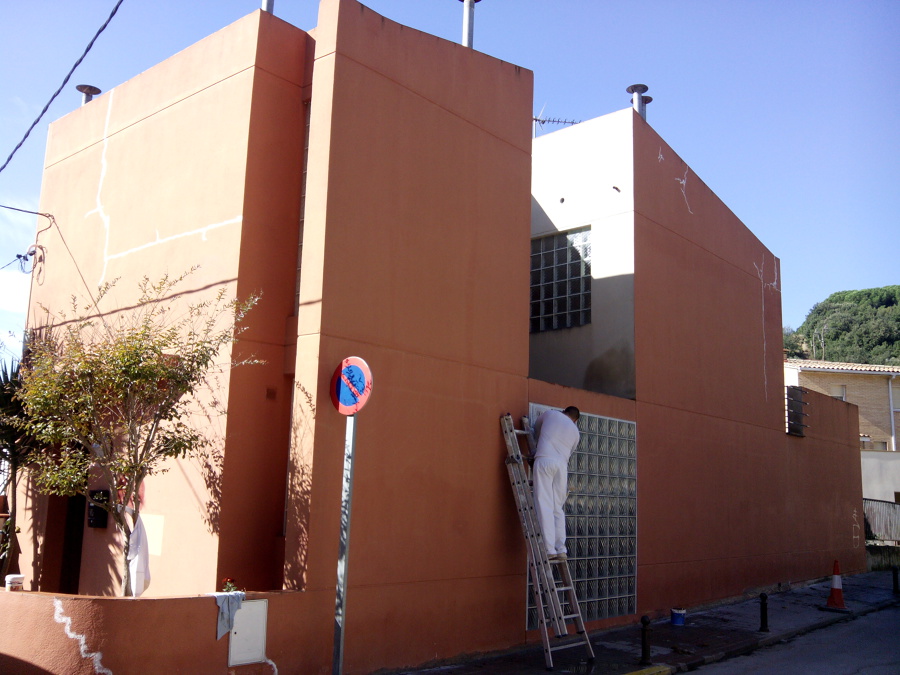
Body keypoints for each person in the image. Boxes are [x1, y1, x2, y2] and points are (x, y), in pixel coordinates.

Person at [531, 406, 580, 561]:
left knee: (544, 503)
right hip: (561, 466)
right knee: (557, 507)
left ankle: (549, 548)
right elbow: (570, 452)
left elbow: (536, 427)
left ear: (563, 411)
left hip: (544, 459)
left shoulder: (551, 414)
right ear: (576, 420)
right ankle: (561, 549)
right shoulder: (575, 432)